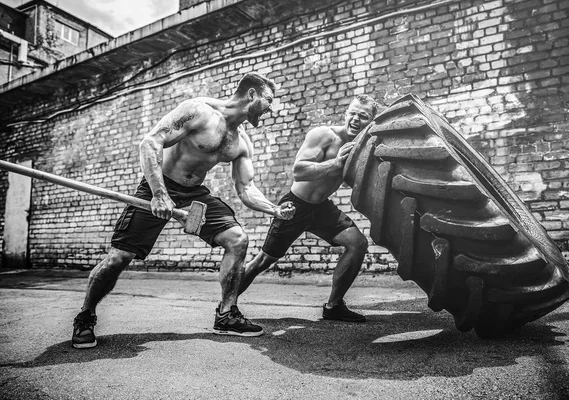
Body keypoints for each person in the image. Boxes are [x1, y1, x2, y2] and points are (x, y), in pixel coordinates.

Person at [72, 72, 296, 349]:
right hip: (158, 186)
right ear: (252, 95)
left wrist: (274, 210)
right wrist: (159, 194)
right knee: (120, 257)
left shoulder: (241, 141)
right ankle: (85, 315)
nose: (271, 108)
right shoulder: (200, 111)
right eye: (268, 100)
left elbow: (246, 188)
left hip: (194, 195)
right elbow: (151, 142)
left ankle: (226, 314)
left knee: (237, 239)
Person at [238, 94, 378, 322]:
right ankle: (226, 306)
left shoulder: (362, 147)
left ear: (371, 122)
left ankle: (333, 307)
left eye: (362, 116)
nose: (355, 119)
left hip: (322, 209)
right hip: (296, 205)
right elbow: (299, 171)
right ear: (345, 114)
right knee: (263, 261)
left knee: (357, 244)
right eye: (352, 113)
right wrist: (334, 163)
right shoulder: (324, 135)